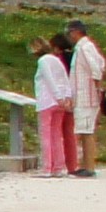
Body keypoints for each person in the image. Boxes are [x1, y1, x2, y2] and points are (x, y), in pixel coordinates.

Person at [33, 33, 79, 177]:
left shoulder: (43, 61)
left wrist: (58, 97)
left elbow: (49, 79)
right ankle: (59, 167)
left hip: (47, 101)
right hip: (61, 103)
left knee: (46, 134)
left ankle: (47, 167)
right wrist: (66, 97)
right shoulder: (57, 61)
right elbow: (64, 79)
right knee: (57, 134)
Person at [68, 25, 106, 170]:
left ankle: (89, 167)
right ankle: (86, 165)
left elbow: (95, 68)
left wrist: (97, 86)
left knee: (87, 132)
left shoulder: (84, 48)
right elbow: (101, 63)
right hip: (86, 96)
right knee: (84, 130)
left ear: (76, 32)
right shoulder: (88, 46)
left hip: (86, 96)